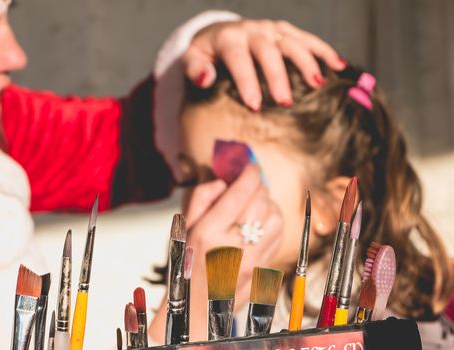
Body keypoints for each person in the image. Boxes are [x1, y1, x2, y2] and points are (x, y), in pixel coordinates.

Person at [0, 0, 344, 348]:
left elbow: (129, 143)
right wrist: (193, 311)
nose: (15, 54)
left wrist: (215, 46)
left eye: (6, 17)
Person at [147, 61, 453, 348]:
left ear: (328, 206)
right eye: (189, 179)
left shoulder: (395, 328)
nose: (200, 201)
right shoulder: (234, 311)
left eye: (232, 175)